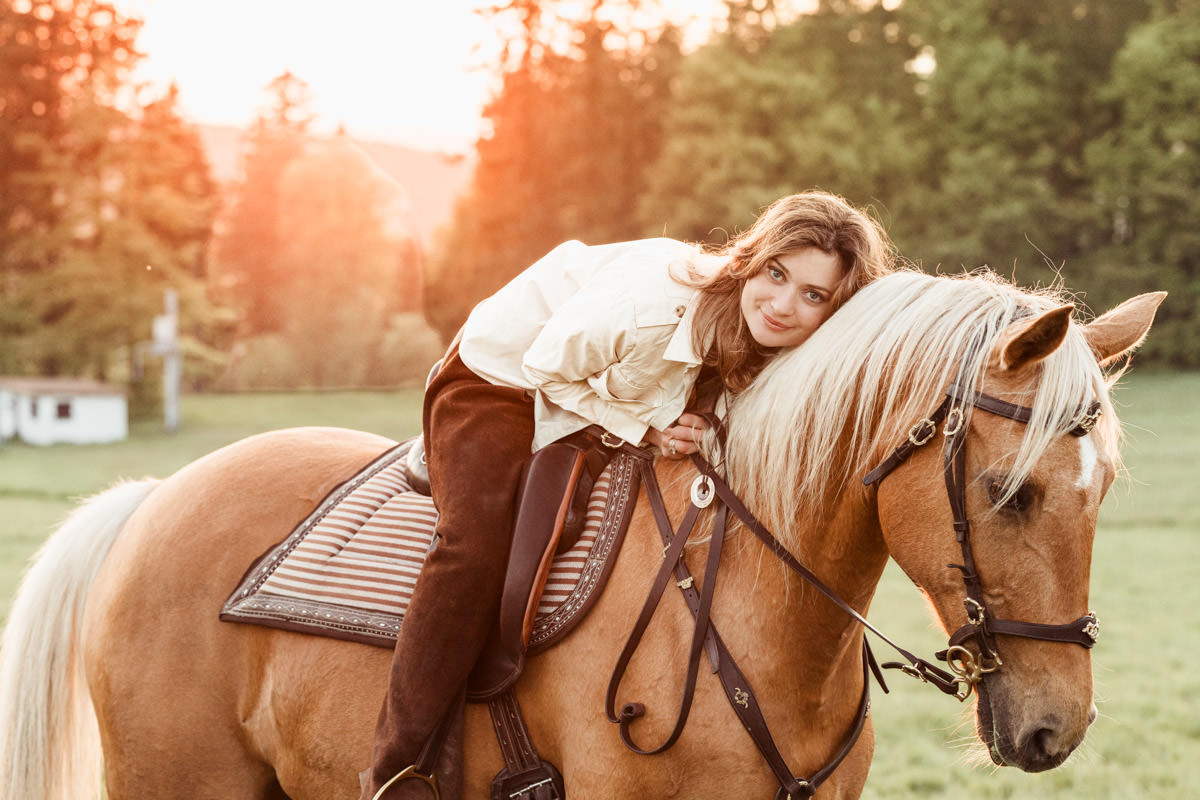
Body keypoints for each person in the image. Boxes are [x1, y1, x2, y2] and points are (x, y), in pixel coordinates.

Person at [361, 191, 895, 799]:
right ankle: (399, 767)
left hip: (596, 396)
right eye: (778, 274)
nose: (783, 305)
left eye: (813, 295)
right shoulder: (652, 303)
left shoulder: (775, 340)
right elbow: (545, 368)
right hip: (503, 379)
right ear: (754, 258)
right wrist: (649, 426)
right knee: (476, 542)